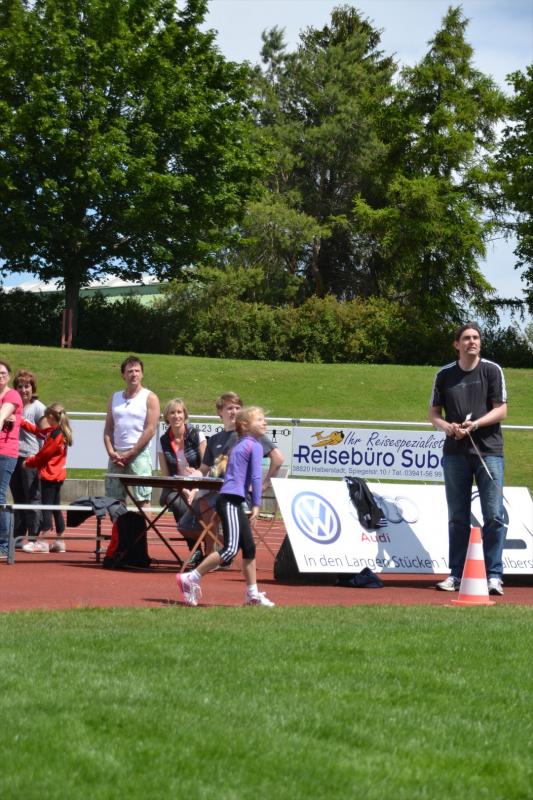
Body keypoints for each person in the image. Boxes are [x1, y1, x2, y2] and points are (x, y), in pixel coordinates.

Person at [428, 322, 508, 595]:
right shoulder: (444, 375)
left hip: (489, 452)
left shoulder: (492, 370)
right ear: (457, 344)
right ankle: (456, 574)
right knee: (457, 517)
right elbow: (433, 414)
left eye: (475, 337)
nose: (472, 342)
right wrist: (448, 427)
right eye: (466, 338)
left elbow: (501, 410)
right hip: (455, 454)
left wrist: (475, 425)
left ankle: (494, 575)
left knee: (494, 515)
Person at [176, 406, 275, 607]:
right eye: (259, 419)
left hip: (231, 499)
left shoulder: (240, 445)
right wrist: (257, 504)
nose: (264, 422)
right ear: (245, 425)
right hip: (230, 500)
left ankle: (252, 595)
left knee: (248, 547)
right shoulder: (254, 446)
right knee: (230, 549)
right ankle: (191, 577)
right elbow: (256, 477)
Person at [178, 391, 284, 545]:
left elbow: (278, 458)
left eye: (237, 408)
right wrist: (190, 477)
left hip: (237, 495)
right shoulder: (214, 440)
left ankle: (218, 550)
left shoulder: (249, 435)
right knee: (185, 526)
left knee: (205, 505)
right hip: (214, 492)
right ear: (220, 412)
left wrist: (264, 486)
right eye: (229, 408)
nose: (234, 411)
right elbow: (203, 469)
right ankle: (229, 545)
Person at [104, 355, 160, 507]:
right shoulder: (114, 397)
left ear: (142, 374)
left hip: (140, 454)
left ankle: (144, 525)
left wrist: (132, 452)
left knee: (143, 499)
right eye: (130, 371)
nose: (134, 374)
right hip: (117, 455)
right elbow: (108, 428)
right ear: (123, 375)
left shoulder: (150, 397)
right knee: (114, 500)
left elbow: (151, 429)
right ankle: (120, 524)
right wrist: (111, 452)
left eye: (137, 371)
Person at [158, 398, 206, 567]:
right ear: (167, 417)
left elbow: (207, 467)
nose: (176, 416)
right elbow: (166, 475)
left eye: (179, 412)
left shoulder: (196, 435)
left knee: (199, 501)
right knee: (179, 503)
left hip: (200, 483)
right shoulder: (163, 440)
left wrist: (194, 489)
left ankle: (211, 548)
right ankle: (196, 550)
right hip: (175, 487)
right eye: (172, 412)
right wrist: (182, 489)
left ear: (185, 415)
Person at [21, 403, 73, 553]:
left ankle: (42, 541)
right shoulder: (59, 432)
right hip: (58, 475)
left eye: (45, 416)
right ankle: (60, 541)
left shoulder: (55, 435)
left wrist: (28, 462)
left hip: (50, 475)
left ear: (51, 417)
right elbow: (38, 432)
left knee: (46, 507)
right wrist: (22, 422)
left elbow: (44, 455)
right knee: (56, 507)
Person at [10, 370, 47, 548]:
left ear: (33, 388)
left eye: (27, 386)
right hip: (12, 456)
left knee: (32, 497)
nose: (24, 390)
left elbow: (46, 434)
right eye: (20, 386)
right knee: (18, 497)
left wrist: (40, 458)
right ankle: (18, 536)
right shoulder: (11, 406)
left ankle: (33, 537)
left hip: (30, 457)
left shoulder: (38, 407)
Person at [0, 360, 23, 559]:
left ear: (8, 375)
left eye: (3, 373)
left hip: (5, 452)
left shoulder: (12, 395)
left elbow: (1, 416)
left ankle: (5, 545)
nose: (0, 376)